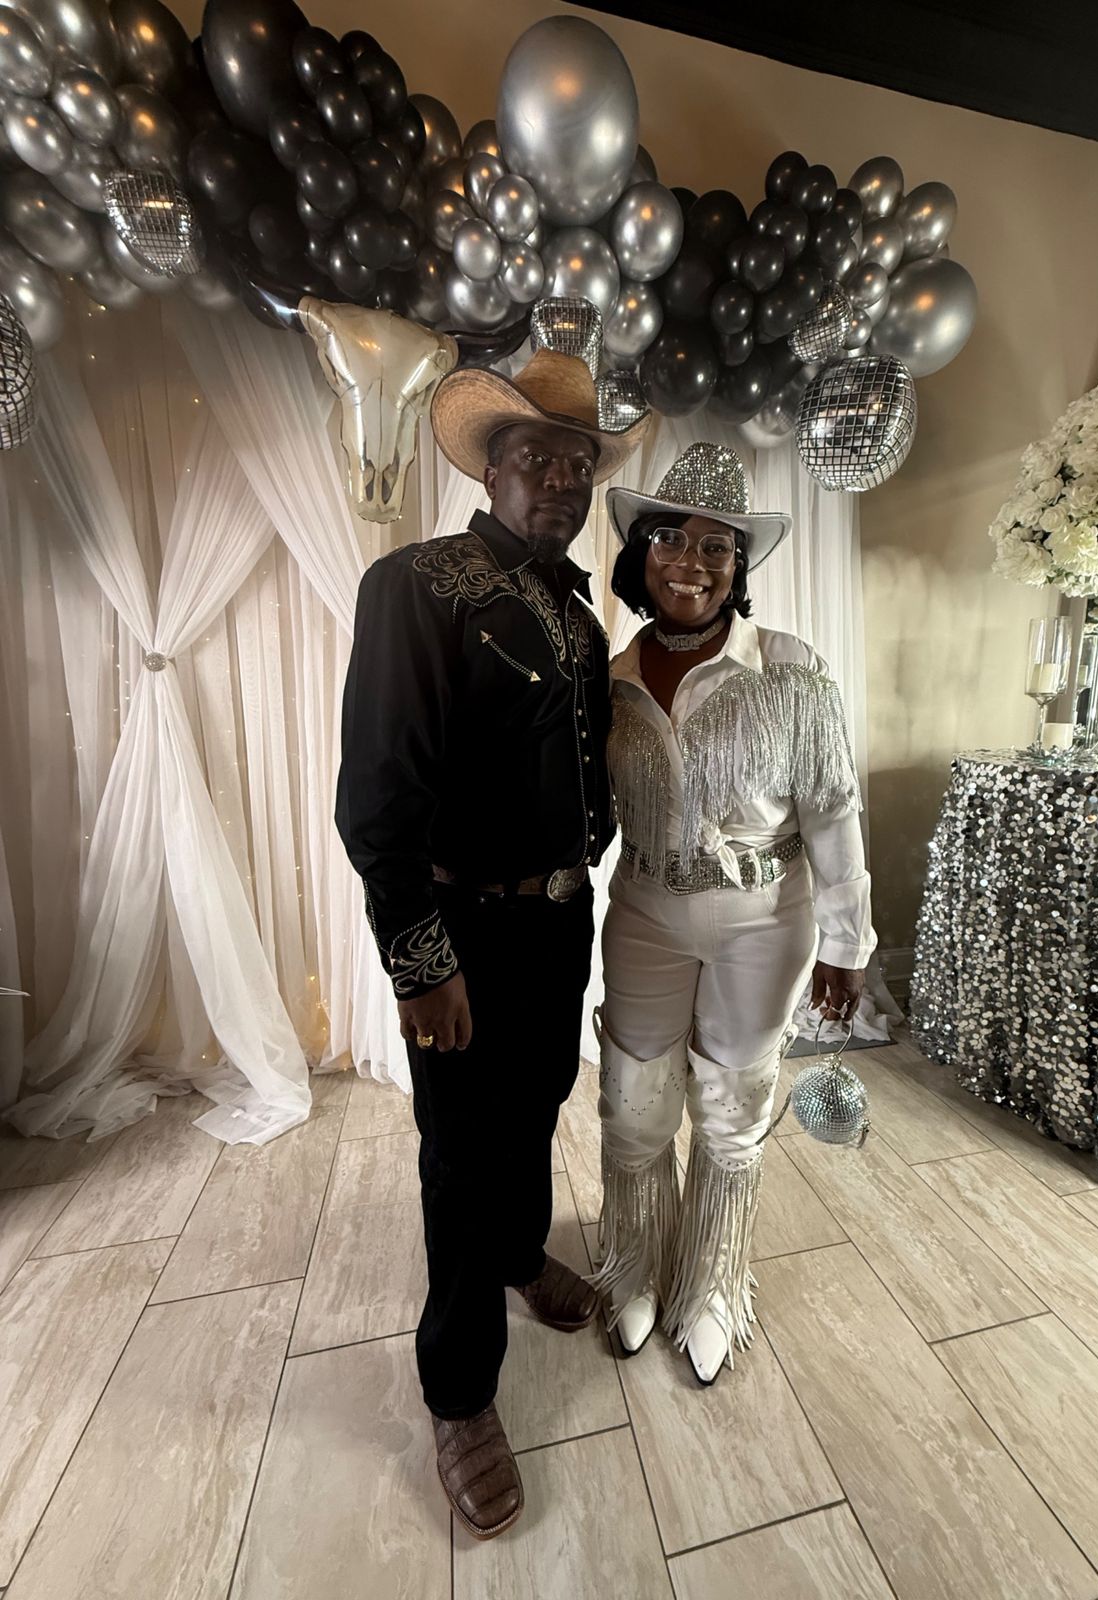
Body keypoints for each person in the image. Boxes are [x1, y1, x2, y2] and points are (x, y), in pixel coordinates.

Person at [335, 347, 647, 1540]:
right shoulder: (416, 584)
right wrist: (421, 960)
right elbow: (377, 797)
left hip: (559, 915)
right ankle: (459, 1393)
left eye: (578, 462)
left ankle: (522, 1253)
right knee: (461, 1154)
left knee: (538, 1098)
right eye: (537, 456)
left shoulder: (577, 612)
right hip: (460, 925)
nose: (562, 478)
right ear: (491, 467)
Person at [591, 442, 876, 1384]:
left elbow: (833, 809)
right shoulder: (610, 677)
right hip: (644, 909)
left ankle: (712, 1281)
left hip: (765, 918)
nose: (692, 562)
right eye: (670, 539)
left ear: (738, 566)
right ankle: (636, 1263)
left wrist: (848, 941)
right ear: (640, 553)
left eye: (717, 546)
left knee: (733, 1101)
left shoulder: (790, 672)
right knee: (635, 1101)